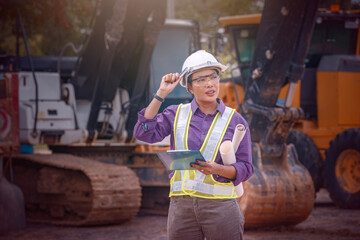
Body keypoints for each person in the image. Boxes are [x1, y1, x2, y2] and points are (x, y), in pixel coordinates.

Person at [134, 50, 253, 240]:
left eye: (213, 76)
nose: (209, 84)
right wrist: (161, 93)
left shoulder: (235, 120)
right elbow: (143, 132)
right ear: (189, 87)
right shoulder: (176, 114)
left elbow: (246, 168)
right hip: (182, 208)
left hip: (221, 207)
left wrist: (219, 169)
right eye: (200, 80)